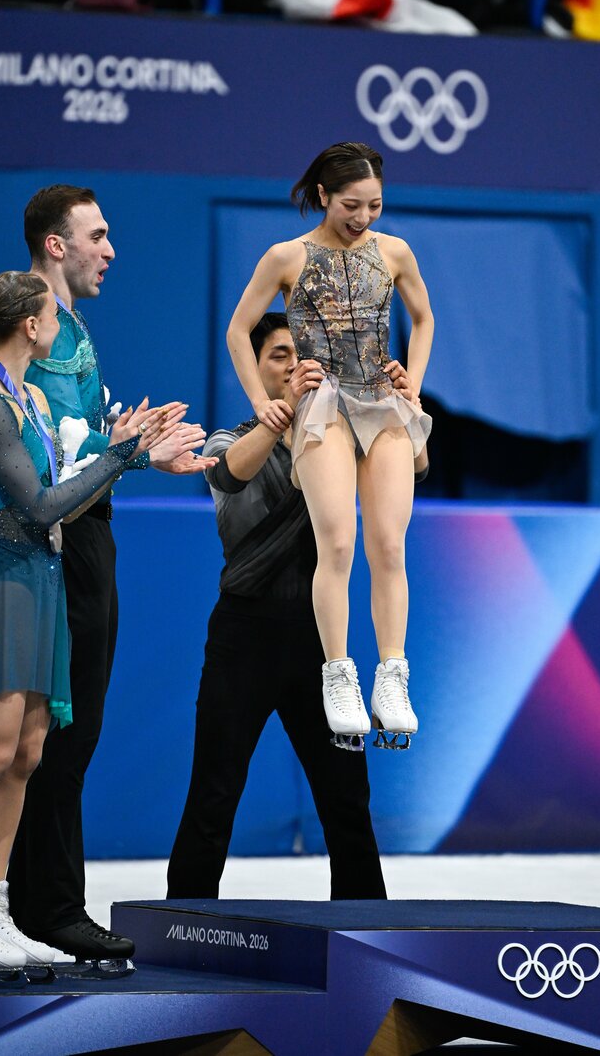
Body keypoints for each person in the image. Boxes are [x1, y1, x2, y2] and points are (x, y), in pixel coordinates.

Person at [7, 185, 214, 963]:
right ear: (55, 244)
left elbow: (77, 444)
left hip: (85, 535)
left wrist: (136, 452)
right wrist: (124, 450)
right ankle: (47, 906)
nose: (111, 250)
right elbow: (51, 457)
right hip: (59, 545)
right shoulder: (37, 333)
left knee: (63, 734)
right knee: (48, 737)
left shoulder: (72, 328)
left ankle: (37, 903)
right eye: (97, 235)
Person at [167, 313, 387, 899]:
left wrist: (402, 407)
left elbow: (413, 466)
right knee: (214, 793)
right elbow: (231, 477)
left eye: (300, 353)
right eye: (278, 355)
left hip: (321, 645)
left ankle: (368, 927)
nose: (292, 365)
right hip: (244, 638)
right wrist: (287, 411)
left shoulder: (343, 443)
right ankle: (184, 923)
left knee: (347, 798)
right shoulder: (228, 441)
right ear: (254, 366)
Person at [227, 142, 433, 751]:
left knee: (389, 543)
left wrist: (415, 384)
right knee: (338, 543)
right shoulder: (286, 256)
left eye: (374, 205)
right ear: (323, 195)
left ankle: (392, 675)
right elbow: (239, 329)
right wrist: (262, 403)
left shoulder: (394, 252)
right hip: (323, 406)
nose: (363, 217)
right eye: (351, 205)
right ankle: (339, 674)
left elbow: (424, 318)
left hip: (383, 400)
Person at [0, 270, 171, 971]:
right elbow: (40, 504)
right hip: (4, 581)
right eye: (50, 317)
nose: (57, 327)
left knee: (28, 753)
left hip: (42, 579)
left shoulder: (34, 398)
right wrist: (123, 453)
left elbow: (66, 483)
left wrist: (130, 451)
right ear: (30, 326)